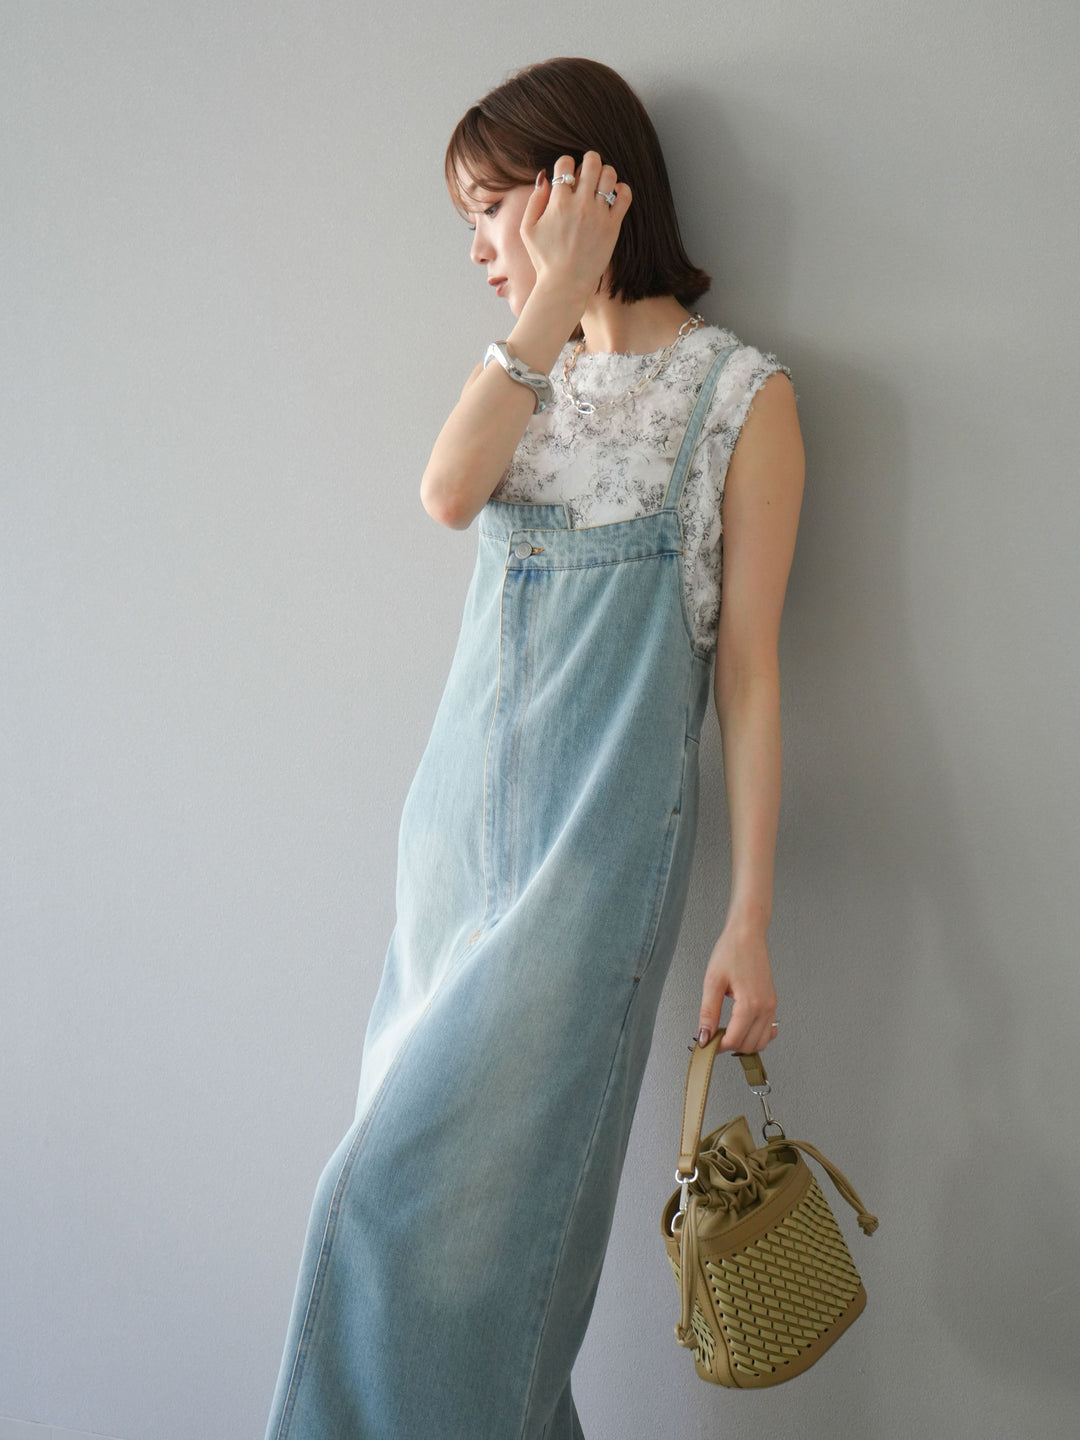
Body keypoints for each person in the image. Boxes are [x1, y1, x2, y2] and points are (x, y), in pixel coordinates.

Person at [264, 56, 804, 1440]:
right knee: (487, 1278)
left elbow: (748, 677)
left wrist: (749, 917)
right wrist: (552, 304)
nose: (477, 248)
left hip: (590, 874)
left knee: (404, 1226)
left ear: (584, 189)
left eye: (491, 207)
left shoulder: (740, 400)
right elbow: (448, 494)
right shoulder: (523, 376)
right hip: (450, 859)